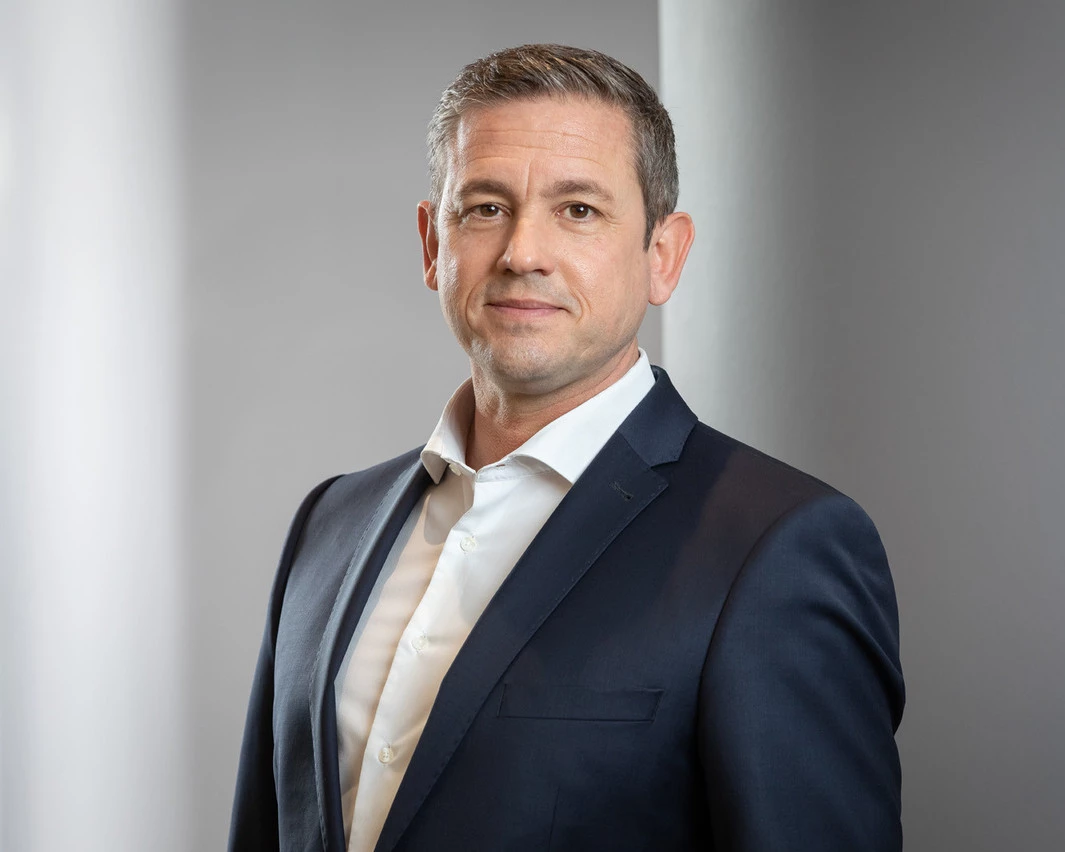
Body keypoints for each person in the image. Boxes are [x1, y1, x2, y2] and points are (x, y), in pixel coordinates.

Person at [229, 43, 904, 852]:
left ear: (663, 256)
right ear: (433, 245)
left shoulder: (775, 549)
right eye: (485, 208)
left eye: (578, 210)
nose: (523, 252)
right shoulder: (328, 526)